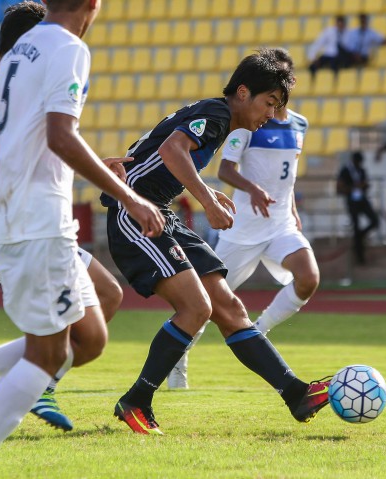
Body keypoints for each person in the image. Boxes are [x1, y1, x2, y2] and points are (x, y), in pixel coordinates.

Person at [0, 0, 164, 475]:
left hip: (29, 219)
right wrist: (129, 196)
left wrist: (6, 192)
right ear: (93, 5)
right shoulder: (69, 46)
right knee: (50, 353)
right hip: (39, 222)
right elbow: (60, 136)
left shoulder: (19, 51)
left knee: (91, 336)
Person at [102, 48, 331, 436]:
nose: (271, 115)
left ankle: (296, 394)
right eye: (268, 103)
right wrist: (207, 200)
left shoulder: (217, 117)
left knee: (229, 307)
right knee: (196, 307)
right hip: (136, 214)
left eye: (278, 107)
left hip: (159, 212)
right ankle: (137, 400)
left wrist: (206, 189)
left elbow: (168, 155)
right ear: (243, 92)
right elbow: (171, 150)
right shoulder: (219, 114)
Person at [169, 50, 321, 389]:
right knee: (206, 303)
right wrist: (251, 189)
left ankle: (260, 330)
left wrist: (292, 209)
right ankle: (178, 357)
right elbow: (225, 169)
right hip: (244, 228)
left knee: (308, 277)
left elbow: (288, 175)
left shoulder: (300, 124)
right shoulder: (248, 122)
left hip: (280, 222)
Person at [337, 151, 379, 265]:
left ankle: (361, 235)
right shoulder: (345, 170)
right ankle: (360, 257)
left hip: (362, 200)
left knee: (375, 220)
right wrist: (353, 187)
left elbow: (365, 184)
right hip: (352, 201)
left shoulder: (361, 170)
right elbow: (339, 188)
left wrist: (363, 186)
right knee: (356, 226)